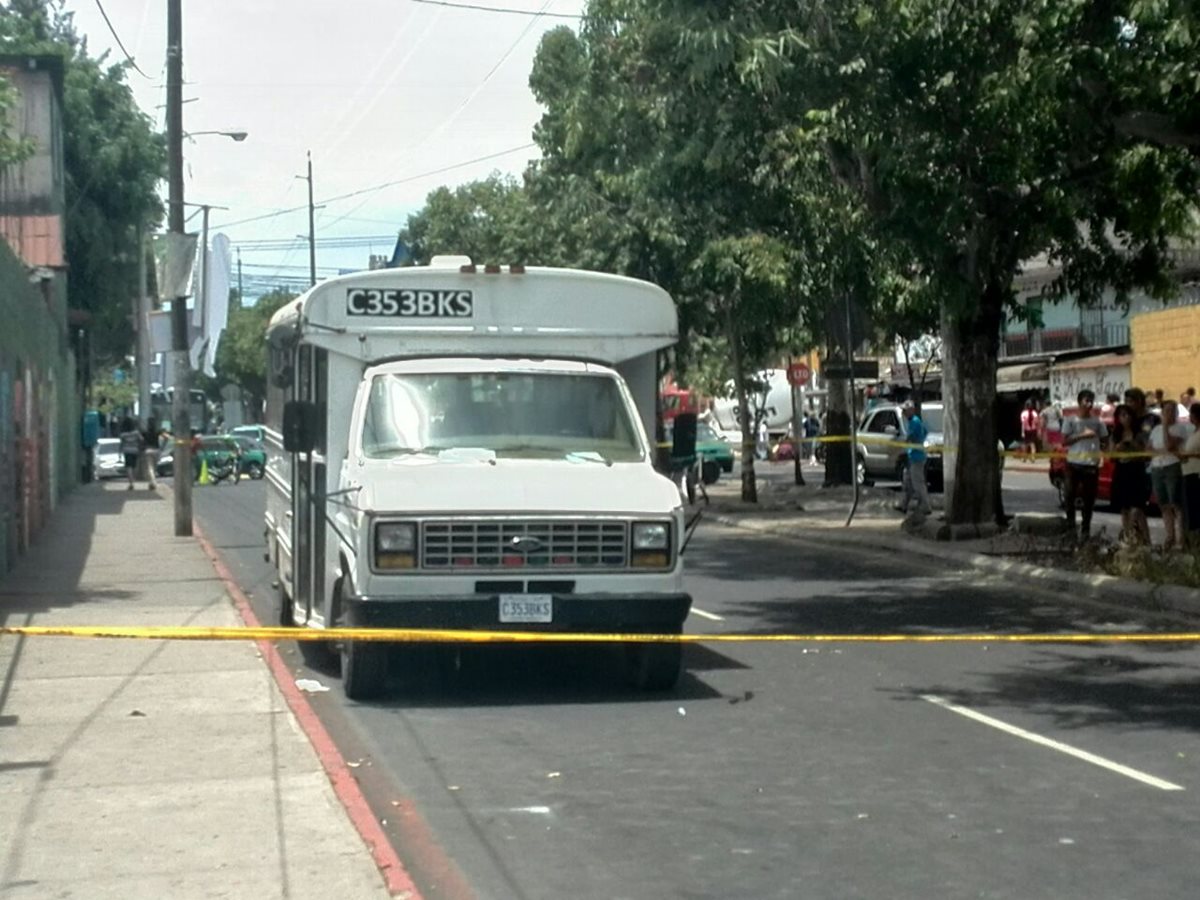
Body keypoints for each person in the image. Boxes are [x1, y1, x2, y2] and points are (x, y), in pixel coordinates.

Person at [1060, 390, 1108, 542]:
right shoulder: (1071, 420)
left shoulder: (1098, 422)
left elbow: (1105, 440)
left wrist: (1101, 451)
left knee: (1089, 499)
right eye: (1086, 400)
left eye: (1091, 401)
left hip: (1090, 465)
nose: (1089, 404)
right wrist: (1082, 435)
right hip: (1073, 463)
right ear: (1079, 402)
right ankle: (1071, 528)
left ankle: (1085, 529)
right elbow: (1064, 441)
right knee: (1069, 496)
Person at [1148, 401, 1188, 551]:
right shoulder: (1155, 429)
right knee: (1163, 503)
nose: (1168, 413)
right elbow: (1149, 448)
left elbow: (1170, 445)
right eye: (1166, 410)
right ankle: (1169, 536)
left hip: (1172, 466)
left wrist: (1165, 427)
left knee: (1175, 503)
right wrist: (1158, 450)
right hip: (1157, 467)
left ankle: (1181, 538)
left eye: (1172, 410)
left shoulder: (1180, 428)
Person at [1109, 404, 1151, 545]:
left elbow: (1146, 453)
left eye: (1127, 414)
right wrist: (1118, 447)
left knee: (1137, 508)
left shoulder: (1139, 432)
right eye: (1122, 415)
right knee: (1125, 508)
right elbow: (1111, 456)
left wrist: (1132, 445)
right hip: (1122, 470)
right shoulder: (1116, 434)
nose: (1125, 418)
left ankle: (1145, 539)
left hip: (1136, 470)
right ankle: (1128, 538)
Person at [895, 400, 931, 519]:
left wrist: (905, 442)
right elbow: (925, 432)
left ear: (911, 410)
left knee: (917, 482)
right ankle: (904, 505)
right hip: (913, 456)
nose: (904, 413)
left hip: (917, 457)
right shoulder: (914, 422)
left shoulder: (914, 422)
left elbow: (911, 437)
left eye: (905, 411)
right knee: (908, 482)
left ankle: (925, 505)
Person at [1183, 402, 1200, 539]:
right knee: (1191, 508)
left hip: (1197, 473)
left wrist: (1189, 455)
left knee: (1196, 507)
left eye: (1191, 414)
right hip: (1189, 472)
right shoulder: (1193, 432)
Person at [117, 417, 145, 491]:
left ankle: (131, 482)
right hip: (135, 450)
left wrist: (119, 453)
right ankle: (134, 479)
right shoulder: (136, 433)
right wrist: (139, 446)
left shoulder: (123, 434)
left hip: (126, 451)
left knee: (128, 466)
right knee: (134, 465)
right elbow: (142, 440)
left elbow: (121, 444)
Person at [140, 416, 159, 491]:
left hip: (148, 450)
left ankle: (153, 482)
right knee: (154, 467)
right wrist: (163, 445)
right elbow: (166, 437)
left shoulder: (145, 433)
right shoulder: (157, 432)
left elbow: (141, 440)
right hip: (156, 450)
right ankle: (151, 483)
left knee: (150, 468)